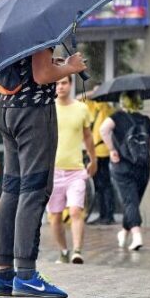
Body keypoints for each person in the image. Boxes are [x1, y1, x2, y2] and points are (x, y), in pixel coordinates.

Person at [0, 48, 86, 298]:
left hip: (7, 110)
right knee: (34, 189)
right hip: (33, 113)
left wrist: (54, 63)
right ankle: (26, 275)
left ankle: (4, 275)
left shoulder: (13, 32)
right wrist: (70, 67)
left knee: (12, 190)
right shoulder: (39, 30)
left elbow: (29, 69)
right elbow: (42, 75)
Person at [47, 75, 96, 265]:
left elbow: (88, 137)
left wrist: (93, 159)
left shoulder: (81, 108)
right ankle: (63, 251)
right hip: (53, 171)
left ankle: (77, 251)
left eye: (64, 82)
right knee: (55, 216)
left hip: (76, 170)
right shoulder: (48, 108)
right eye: (57, 83)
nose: (60, 86)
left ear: (70, 84)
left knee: (76, 210)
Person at [100, 91, 150, 251]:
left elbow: (103, 130)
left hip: (122, 166)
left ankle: (131, 234)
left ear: (123, 101)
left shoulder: (116, 117)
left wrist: (112, 149)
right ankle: (130, 234)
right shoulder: (146, 121)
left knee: (131, 202)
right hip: (143, 167)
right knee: (133, 201)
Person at [84, 85, 116, 225]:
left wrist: (93, 92)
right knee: (101, 184)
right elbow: (79, 99)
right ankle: (105, 214)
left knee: (103, 184)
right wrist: (94, 92)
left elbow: (81, 99)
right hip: (97, 151)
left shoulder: (105, 108)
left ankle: (107, 215)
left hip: (101, 152)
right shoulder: (96, 106)